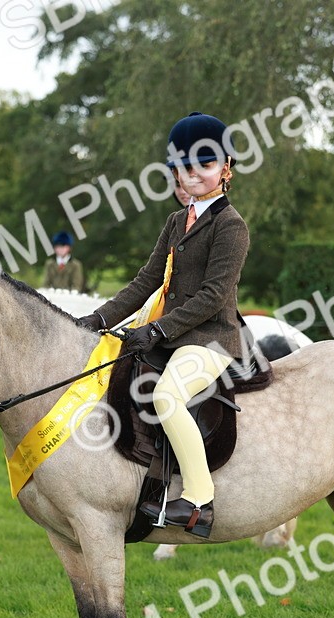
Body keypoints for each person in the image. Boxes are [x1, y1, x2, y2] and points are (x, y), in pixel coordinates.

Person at [77, 112, 248, 538]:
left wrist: (155, 331)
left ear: (226, 168)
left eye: (204, 166)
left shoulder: (231, 226)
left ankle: (199, 500)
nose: (194, 176)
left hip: (212, 339)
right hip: (172, 337)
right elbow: (145, 282)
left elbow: (212, 297)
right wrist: (95, 320)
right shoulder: (176, 222)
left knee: (169, 396)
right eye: (185, 168)